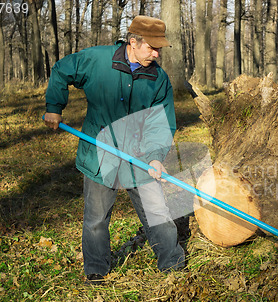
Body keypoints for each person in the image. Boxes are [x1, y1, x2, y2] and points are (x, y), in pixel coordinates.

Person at [44, 16, 185, 285]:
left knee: (158, 213)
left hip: (140, 156)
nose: (156, 54)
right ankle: (96, 270)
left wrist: (156, 156)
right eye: (151, 48)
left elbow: (162, 122)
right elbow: (62, 69)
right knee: (96, 218)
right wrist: (54, 107)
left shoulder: (158, 78)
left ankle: (173, 265)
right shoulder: (98, 60)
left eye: (159, 49)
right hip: (100, 153)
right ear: (133, 42)